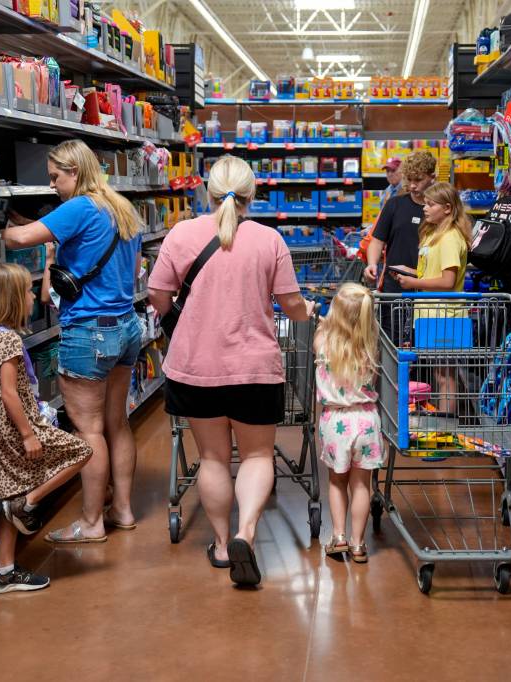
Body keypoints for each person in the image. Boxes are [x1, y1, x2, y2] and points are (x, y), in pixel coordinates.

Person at [148, 155, 314, 587]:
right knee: (258, 455)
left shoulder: (182, 233)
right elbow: (292, 305)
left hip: (195, 368)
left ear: (207, 191)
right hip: (254, 369)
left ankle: (221, 546)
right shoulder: (269, 239)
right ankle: (246, 533)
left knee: (213, 458)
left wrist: (174, 323)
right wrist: (305, 310)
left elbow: (157, 291)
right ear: (251, 195)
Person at [1, 139, 143, 544]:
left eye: (55, 177)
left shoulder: (80, 206)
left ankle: (92, 521)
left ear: (75, 172)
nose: (52, 186)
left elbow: (18, 240)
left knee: (89, 430)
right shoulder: (123, 206)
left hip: (88, 332)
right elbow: (133, 271)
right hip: (126, 325)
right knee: (118, 423)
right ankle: (123, 510)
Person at [0, 263, 93, 593]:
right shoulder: (7, 341)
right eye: (26, 291)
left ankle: (4, 571)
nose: (31, 297)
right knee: (81, 451)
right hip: (16, 426)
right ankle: (28, 503)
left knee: (11, 492)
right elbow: (9, 392)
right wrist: (28, 433)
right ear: (10, 299)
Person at [315, 283, 384, 564]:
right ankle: (358, 544)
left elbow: (323, 333)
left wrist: (325, 325)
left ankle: (339, 537)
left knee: (336, 481)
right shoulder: (370, 345)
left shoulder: (323, 341)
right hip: (367, 420)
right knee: (360, 485)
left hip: (335, 422)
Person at [393, 182, 472, 414]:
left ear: (447, 208)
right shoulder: (435, 234)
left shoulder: (449, 237)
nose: (424, 208)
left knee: (445, 374)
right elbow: (432, 272)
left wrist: (414, 283)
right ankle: (443, 420)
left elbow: (448, 281)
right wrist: (409, 272)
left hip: (445, 314)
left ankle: (446, 424)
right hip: (431, 314)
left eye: (430, 204)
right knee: (441, 372)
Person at [364, 150, 437, 294]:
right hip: (393, 288)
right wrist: (371, 264)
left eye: (418, 180)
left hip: (429, 289)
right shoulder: (394, 205)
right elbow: (377, 241)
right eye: (409, 180)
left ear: (432, 177)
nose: (412, 186)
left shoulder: (440, 209)